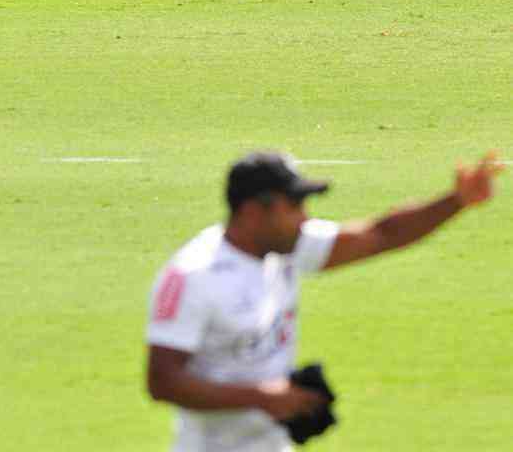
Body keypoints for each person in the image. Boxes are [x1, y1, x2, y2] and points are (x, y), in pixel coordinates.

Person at [146, 149, 501, 452]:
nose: (305, 217)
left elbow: (380, 234)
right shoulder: (193, 277)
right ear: (254, 211)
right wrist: (262, 397)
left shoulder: (285, 248)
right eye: (295, 205)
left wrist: (456, 201)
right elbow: (162, 381)